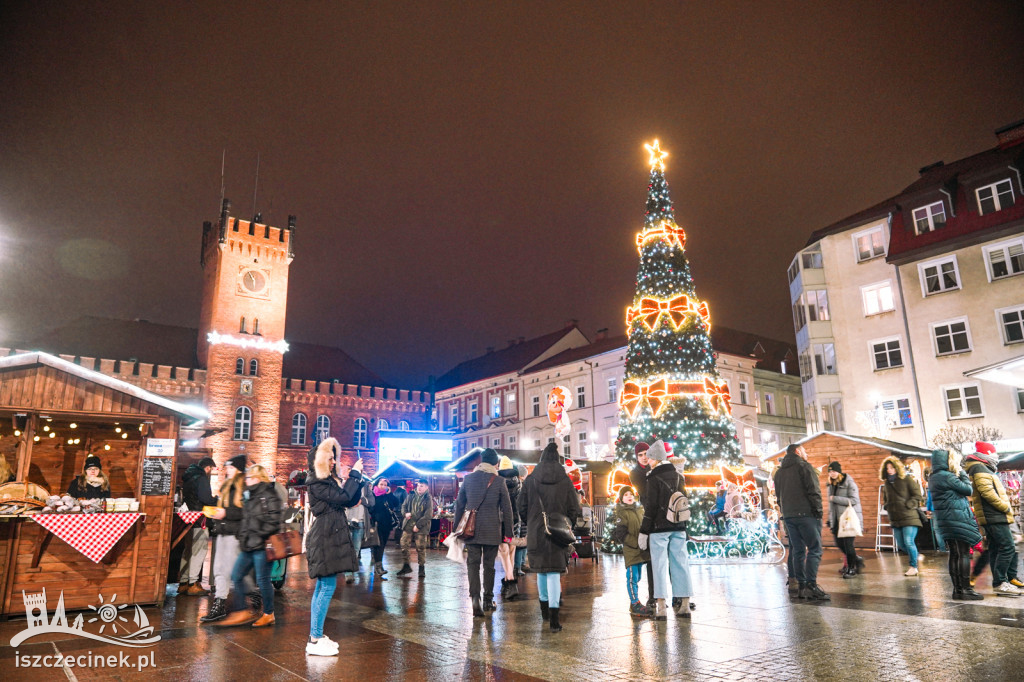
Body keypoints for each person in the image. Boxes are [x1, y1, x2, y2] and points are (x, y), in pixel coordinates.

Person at [305, 437, 365, 656]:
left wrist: (359, 481)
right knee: (327, 587)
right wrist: (355, 475)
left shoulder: (326, 480)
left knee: (324, 586)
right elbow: (345, 496)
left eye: (333, 458)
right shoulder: (317, 481)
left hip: (329, 534)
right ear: (320, 460)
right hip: (325, 536)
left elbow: (349, 500)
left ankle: (316, 635)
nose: (333, 462)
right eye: (329, 459)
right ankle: (314, 638)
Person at [518, 442, 580, 631]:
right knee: (554, 572)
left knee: (542, 571)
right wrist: (567, 525)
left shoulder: (531, 480)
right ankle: (554, 620)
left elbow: (521, 506)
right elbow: (574, 508)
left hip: (537, 531)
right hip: (558, 532)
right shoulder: (565, 480)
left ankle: (544, 613)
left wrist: (532, 523)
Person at [215, 465, 283, 627]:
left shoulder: (269, 494)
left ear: (258, 478)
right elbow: (246, 519)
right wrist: (243, 535)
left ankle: (269, 613)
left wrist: (258, 534)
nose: (246, 480)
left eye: (249, 478)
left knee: (263, 579)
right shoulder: (249, 495)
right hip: (248, 545)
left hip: (262, 545)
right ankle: (242, 610)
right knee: (237, 575)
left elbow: (274, 521)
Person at [638, 440, 694, 620]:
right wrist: (684, 527)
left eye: (650, 457)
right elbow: (684, 502)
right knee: (681, 564)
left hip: (658, 528)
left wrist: (644, 531)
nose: (648, 460)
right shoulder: (679, 476)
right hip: (678, 526)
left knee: (659, 566)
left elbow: (651, 507)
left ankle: (661, 606)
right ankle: (684, 604)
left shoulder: (653, 478)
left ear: (655, 458)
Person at [455, 447, 513, 617]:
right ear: (495, 463)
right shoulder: (499, 481)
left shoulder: (469, 479)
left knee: (473, 564)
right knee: (489, 566)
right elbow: (507, 509)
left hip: (471, 530)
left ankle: (475, 598)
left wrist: (456, 530)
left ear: (481, 461)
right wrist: (508, 533)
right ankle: (488, 599)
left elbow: (459, 504)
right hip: (492, 530)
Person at [964, 441, 1021, 596]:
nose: (996, 456)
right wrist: (1004, 506)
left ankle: (1001, 581)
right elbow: (987, 492)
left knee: (996, 548)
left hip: (992, 515)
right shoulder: (980, 468)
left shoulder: (983, 468)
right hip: (994, 515)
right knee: (1007, 546)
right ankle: (1001, 582)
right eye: (994, 453)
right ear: (987, 454)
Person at [774, 444, 828, 600]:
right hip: (806, 515)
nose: (807, 454)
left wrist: (786, 512)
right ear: (797, 451)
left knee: (797, 551)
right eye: (805, 450)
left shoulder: (779, 473)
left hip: (789, 517)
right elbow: (813, 491)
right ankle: (811, 585)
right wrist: (818, 512)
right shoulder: (804, 467)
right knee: (814, 549)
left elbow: (779, 497)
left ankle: (802, 586)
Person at [201, 454, 250, 623]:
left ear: (238, 469)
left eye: (230, 467)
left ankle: (245, 603)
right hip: (222, 532)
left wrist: (226, 513)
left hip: (235, 534)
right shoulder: (226, 487)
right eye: (227, 467)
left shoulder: (244, 487)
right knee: (219, 570)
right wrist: (215, 512)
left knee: (233, 572)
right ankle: (219, 605)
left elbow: (247, 512)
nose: (227, 471)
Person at [928, 449, 983, 600]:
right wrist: (963, 473)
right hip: (957, 519)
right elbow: (968, 489)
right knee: (963, 554)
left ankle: (958, 590)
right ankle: (966, 590)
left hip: (946, 521)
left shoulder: (934, 477)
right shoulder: (948, 476)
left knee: (955, 554)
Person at [879, 455, 923, 577]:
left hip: (909, 516)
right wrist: (887, 505)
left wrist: (910, 504)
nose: (890, 470)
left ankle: (913, 566)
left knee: (908, 541)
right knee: (902, 545)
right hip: (895, 518)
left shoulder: (906, 479)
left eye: (892, 467)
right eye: (887, 468)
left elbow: (917, 495)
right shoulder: (887, 483)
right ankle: (915, 555)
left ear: (897, 468)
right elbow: (886, 498)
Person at [178, 456, 216, 596]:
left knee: (188, 549)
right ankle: (193, 583)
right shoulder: (201, 478)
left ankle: (183, 583)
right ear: (207, 467)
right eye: (210, 469)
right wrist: (215, 500)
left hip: (188, 518)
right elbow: (206, 498)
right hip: (200, 518)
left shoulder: (188, 476)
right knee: (199, 549)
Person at [613, 486, 652, 617]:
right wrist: (637, 543)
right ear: (622, 498)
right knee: (632, 578)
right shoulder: (622, 512)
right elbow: (621, 534)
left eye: (631, 494)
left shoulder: (639, 509)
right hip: (632, 550)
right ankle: (635, 603)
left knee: (638, 577)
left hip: (641, 550)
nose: (629, 496)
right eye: (625, 495)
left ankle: (634, 602)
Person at [628, 442, 656, 608]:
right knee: (651, 560)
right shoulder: (635, 473)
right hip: (647, 517)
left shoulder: (655, 467)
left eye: (646, 453)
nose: (644, 457)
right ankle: (653, 596)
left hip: (660, 516)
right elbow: (646, 492)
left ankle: (675, 597)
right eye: (640, 455)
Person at [826, 462, 864, 578]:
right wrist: (830, 519)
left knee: (848, 545)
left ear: (839, 471)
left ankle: (851, 568)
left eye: (834, 471)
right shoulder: (831, 485)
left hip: (848, 520)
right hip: (837, 520)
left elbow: (854, 500)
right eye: (830, 471)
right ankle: (856, 560)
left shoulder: (849, 483)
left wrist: (835, 498)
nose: (832, 473)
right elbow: (831, 506)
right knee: (840, 544)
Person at [498, 457, 524, 598]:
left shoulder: (499, 482)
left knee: (503, 549)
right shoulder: (519, 482)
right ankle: (509, 578)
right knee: (512, 549)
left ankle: (510, 582)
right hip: (516, 520)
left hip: (503, 520)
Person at [398, 478, 434, 579]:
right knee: (404, 544)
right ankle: (406, 565)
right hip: (408, 524)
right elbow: (403, 506)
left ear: (426, 487)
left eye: (421, 486)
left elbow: (428, 515)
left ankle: (421, 568)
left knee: (421, 547)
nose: (419, 487)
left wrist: (418, 525)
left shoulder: (428, 498)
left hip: (421, 526)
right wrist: (405, 513)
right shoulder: (411, 494)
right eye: (418, 485)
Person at [369, 477, 400, 579]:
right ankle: (378, 567)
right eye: (381, 484)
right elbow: (371, 509)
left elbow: (396, 503)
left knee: (382, 545)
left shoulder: (387, 495)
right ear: (376, 485)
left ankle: (379, 567)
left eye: (385, 485)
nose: (383, 487)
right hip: (376, 523)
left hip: (386, 524)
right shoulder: (372, 495)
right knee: (378, 544)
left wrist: (390, 494)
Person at [344, 486, 367, 585]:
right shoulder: (346, 485)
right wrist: (351, 502)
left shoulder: (365, 487)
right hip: (347, 521)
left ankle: (351, 571)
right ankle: (348, 573)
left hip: (360, 521)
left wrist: (361, 500)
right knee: (347, 547)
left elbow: (371, 501)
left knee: (356, 549)